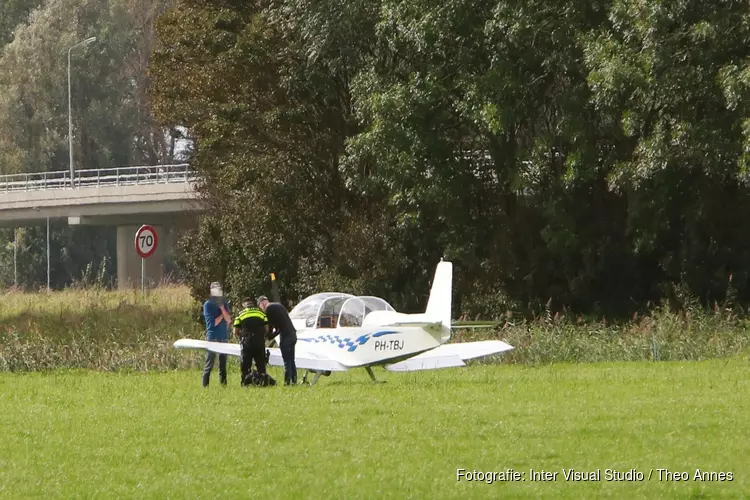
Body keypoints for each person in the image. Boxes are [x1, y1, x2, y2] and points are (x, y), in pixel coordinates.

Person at [257, 295, 297, 385]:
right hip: (293, 334)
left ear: (262, 303)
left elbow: (270, 327)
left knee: (286, 361)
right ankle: (294, 381)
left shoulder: (268, 309)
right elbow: (281, 325)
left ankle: (287, 383)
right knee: (291, 360)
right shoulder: (279, 305)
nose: (262, 309)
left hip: (285, 336)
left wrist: (268, 336)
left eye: (260, 307)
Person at [233, 297, 270, 387]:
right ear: (252, 303)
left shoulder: (240, 314)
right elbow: (267, 329)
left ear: (244, 305)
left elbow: (235, 332)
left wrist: (242, 336)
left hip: (247, 342)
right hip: (259, 342)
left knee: (246, 365)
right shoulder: (261, 313)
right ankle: (263, 382)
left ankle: (245, 383)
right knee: (261, 364)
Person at [202, 281, 232, 387]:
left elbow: (228, 320)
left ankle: (223, 385)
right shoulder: (208, 305)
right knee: (209, 363)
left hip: (223, 337)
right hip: (213, 337)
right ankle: (205, 386)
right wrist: (222, 315)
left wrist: (222, 308)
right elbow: (213, 323)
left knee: (223, 364)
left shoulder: (224, 303)